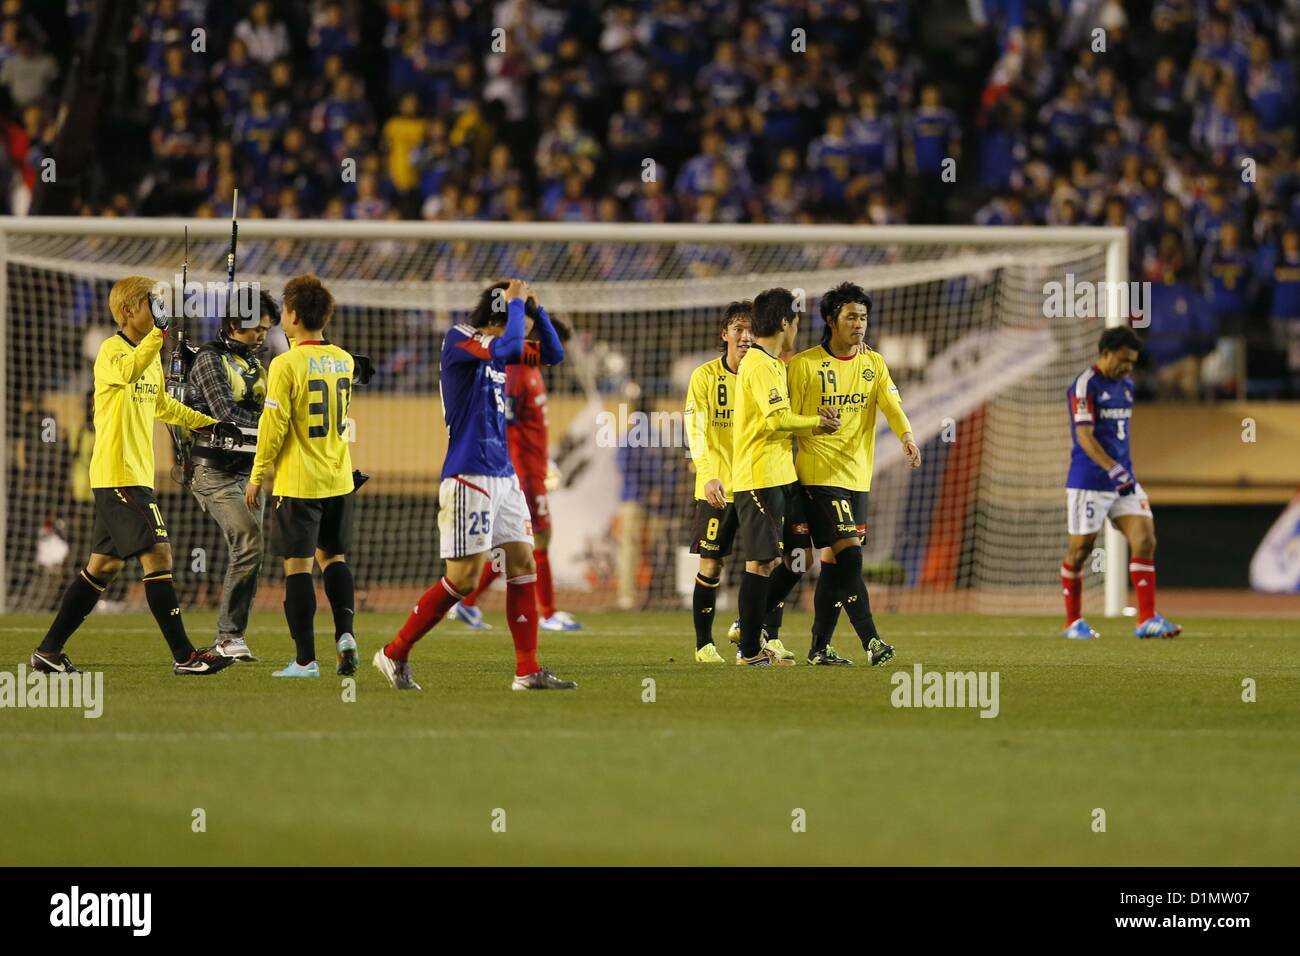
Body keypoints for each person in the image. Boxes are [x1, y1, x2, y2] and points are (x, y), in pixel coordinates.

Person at [373, 279, 576, 691]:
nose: (522, 332)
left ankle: (527, 670)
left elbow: (553, 353)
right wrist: (519, 307)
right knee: (464, 579)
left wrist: (537, 308)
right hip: (469, 474)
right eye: (516, 319)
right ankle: (394, 652)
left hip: (504, 476)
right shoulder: (460, 339)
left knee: (522, 564)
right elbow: (509, 345)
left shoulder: (505, 349)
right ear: (498, 316)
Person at [31, 275, 238, 676]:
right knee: (159, 554)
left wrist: (208, 424)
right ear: (128, 310)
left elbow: (163, 406)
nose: (160, 311)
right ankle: (185, 656)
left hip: (134, 475)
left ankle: (48, 651)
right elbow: (128, 372)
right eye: (152, 304)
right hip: (117, 475)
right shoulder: (112, 351)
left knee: (101, 568)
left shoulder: (150, 356)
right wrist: (158, 338)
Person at [787, 282, 920, 665]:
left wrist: (907, 436)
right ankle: (872, 641)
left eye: (863, 317)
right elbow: (782, 421)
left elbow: (892, 406)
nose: (859, 324)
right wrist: (813, 424)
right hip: (819, 474)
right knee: (850, 557)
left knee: (832, 564)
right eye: (851, 317)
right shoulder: (804, 365)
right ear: (831, 320)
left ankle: (818, 647)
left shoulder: (873, 363)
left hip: (858, 477)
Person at [245, 275, 362, 677]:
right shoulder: (345, 361)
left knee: (297, 568)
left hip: (299, 482)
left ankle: (306, 660)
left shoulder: (285, 364)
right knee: (334, 558)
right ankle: (345, 635)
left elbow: (273, 426)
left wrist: (257, 475)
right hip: (339, 478)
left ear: (293, 316)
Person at [449, 316, 584, 631]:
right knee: (539, 537)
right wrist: (518, 468)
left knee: (518, 542)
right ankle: (548, 613)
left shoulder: (532, 372)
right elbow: (504, 423)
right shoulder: (517, 372)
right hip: (522, 471)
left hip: (534, 466)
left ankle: (468, 603)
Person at [730, 287, 839, 666]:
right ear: (783, 323)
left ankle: (747, 624)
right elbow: (777, 420)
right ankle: (748, 649)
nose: (797, 329)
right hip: (759, 477)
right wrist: (816, 423)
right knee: (761, 562)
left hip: (783, 475)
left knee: (798, 557)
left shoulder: (775, 364)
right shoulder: (759, 364)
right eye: (795, 322)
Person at [1060, 327, 1182, 640]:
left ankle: (1146, 619)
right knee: (1080, 550)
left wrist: (1122, 470)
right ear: (1105, 354)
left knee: (1144, 539)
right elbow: (1084, 437)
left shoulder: (1126, 385)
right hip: (1089, 481)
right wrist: (1112, 468)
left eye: (1133, 362)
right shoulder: (1085, 385)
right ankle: (1073, 622)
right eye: (1124, 360)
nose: (1129, 367)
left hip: (1123, 480)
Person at [185, 290, 279, 661]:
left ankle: (232, 635)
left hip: (249, 473)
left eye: (266, 329)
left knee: (250, 552)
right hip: (214, 472)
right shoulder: (210, 359)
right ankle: (228, 636)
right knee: (250, 543)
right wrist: (276, 429)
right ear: (235, 323)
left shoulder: (259, 365)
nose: (262, 336)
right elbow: (227, 415)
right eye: (257, 328)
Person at [683, 301, 752, 662]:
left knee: (767, 561)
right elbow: (696, 432)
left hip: (756, 485)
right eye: (738, 328)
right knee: (711, 565)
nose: (745, 335)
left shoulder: (766, 373)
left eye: (751, 328)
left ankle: (751, 634)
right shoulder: (704, 377)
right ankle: (703, 644)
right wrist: (707, 476)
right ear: (724, 334)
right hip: (716, 488)